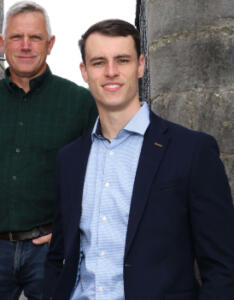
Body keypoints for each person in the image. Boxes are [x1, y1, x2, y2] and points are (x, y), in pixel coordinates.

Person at [43, 19, 234, 300]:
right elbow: (59, 254)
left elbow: (223, 268)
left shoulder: (192, 151)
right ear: (84, 72)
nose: (111, 72)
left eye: (122, 60)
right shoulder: (69, 160)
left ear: (141, 65)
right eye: (98, 62)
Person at [0, 1, 97, 299]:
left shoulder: (79, 103)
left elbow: (97, 175)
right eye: (16, 37)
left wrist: (69, 232)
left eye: (35, 38)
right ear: (2, 43)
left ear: (50, 44)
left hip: (53, 252)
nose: (25, 46)